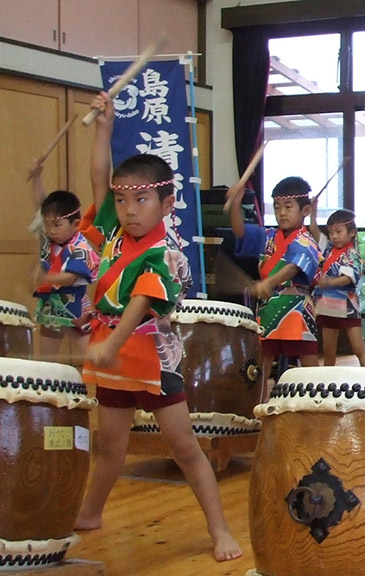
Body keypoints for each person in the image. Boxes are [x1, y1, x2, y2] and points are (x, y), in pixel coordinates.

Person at [75, 91, 241, 562]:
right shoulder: (113, 229)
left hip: (151, 357)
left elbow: (145, 299)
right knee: (110, 447)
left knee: (186, 448)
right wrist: (105, 126)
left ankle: (220, 530)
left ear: (167, 203)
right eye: (124, 200)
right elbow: (97, 179)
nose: (130, 210)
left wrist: (112, 345)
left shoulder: (164, 251)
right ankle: (90, 512)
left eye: (142, 199)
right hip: (112, 353)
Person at [225, 175, 321, 398]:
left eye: (288, 207)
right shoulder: (268, 236)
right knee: (262, 361)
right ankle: (257, 405)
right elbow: (240, 231)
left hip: (297, 309)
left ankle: (318, 404)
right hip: (268, 308)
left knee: (309, 362)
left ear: (305, 210)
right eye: (277, 207)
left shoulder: (306, 240)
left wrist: (268, 282)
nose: (282, 213)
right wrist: (236, 203)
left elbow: (293, 267)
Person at [26, 161, 99, 362]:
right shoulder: (50, 237)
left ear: (75, 224)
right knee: (46, 356)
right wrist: (37, 178)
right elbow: (41, 205)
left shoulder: (80, 247)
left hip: (74, 303)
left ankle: (101, 381)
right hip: (52, 302)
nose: (51, 230)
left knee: (88, 350)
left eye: (57, 225)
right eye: (48, 225)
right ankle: (45, 382)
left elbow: (70, 277)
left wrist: (45, 277)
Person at [309, 208, 365, 367]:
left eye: (338, 231)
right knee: (329, 351)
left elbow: (346, 279)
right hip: (326, 306)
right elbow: (315, 232)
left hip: (347, 307)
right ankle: (328, 385)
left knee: (358, 348)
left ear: (351, 233)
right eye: (331, 232)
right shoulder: (328, 248)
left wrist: (327, 282)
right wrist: (313, 213)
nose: (334, 236)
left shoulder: (352, 255)